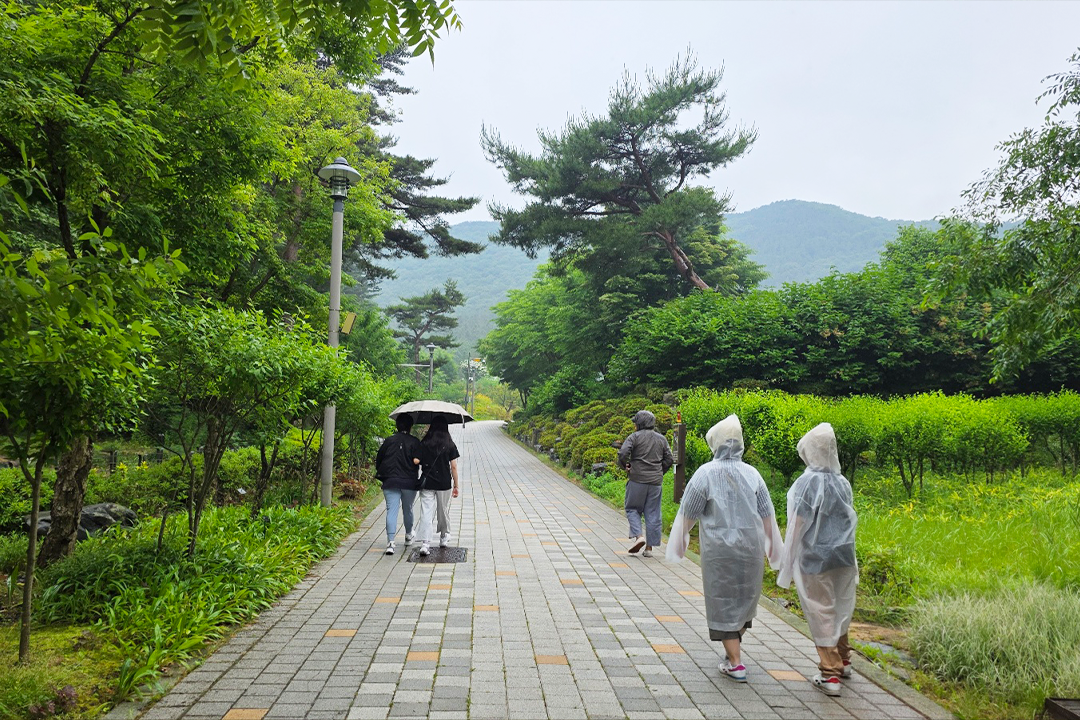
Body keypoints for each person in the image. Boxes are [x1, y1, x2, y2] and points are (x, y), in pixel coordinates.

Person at [666, 414, 783, 683]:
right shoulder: (752, 474)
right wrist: (774, 549)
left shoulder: (705, 473)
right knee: (744, 597)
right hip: (750, 548)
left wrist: (678, 544)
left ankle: (735, 661)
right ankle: (734, 651)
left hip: (719, 551)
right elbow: (767, 514)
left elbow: (688, 513)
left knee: (722, 600)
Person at [777, 423, 859, 697]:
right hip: (844, 554)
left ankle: (830, 671)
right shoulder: (842, 482)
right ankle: (844, 659)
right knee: (841, 608)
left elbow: (798, 524)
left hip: (815, 557)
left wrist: (786, 561)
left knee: (821, 610)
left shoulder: (807, 482)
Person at [617, 410, 674, 558]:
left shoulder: (634, 437)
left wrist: (625, 466)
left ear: (639, 424)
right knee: (653, 512)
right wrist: (660, 471)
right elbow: (669, 459)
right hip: (655, 482)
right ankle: (649, 548)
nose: (634, 425)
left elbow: (623, 453)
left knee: (632, 509)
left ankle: (638, 537)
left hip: (637, 479)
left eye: (635, 423)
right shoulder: (661, 439)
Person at [374, 415, 422, 556]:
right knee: (408, 509)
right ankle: (408, 535)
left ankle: (390, 543)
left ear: (397, 426)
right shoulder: (415, 442)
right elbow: (418, 461)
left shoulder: (389, 441)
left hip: (390, 481)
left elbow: (379, 459)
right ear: (410, 426)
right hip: (409, 481)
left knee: (391, 511)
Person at [416, 419, 461, 556]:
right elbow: (453, 466)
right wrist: (456, 485)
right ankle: (443, 537)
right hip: (443, 483)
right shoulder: (449, 444)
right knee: (443, 510)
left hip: (427, 482)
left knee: (426, 512)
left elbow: (418, 462)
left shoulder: (424, 443)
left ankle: (425, 543)